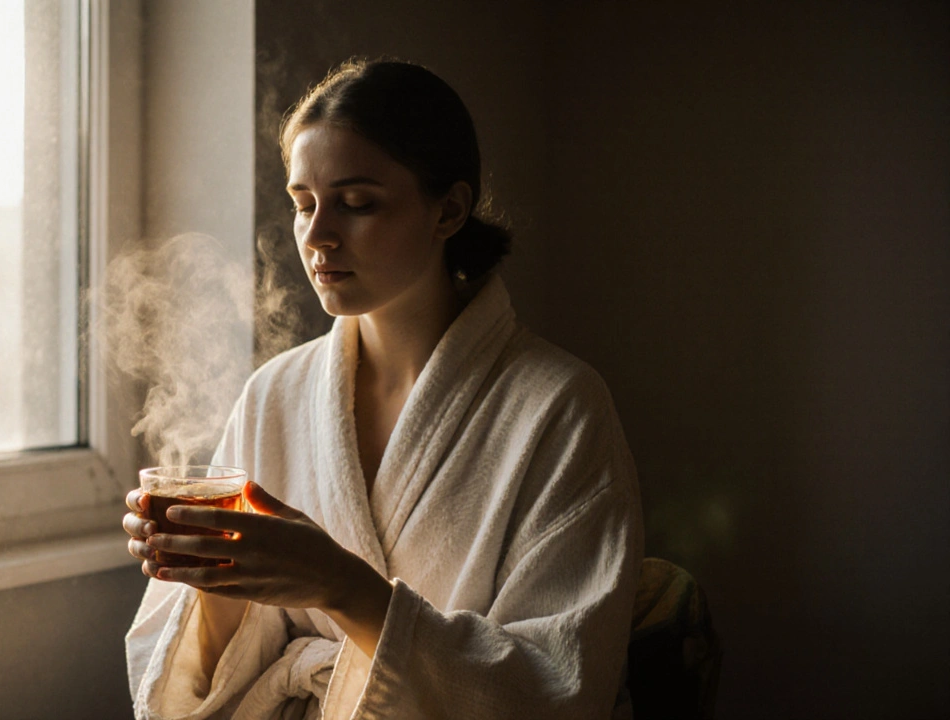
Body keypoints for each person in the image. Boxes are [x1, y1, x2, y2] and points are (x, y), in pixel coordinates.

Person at [123, 58, 643, 720]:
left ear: (448, 210)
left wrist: (343, 586)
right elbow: (185, 684)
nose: (316, 237)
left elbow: (556, 686)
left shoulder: (559, 407)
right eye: (303, 204)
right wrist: (214, 575)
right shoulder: (276, 393)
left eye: (357, 203)